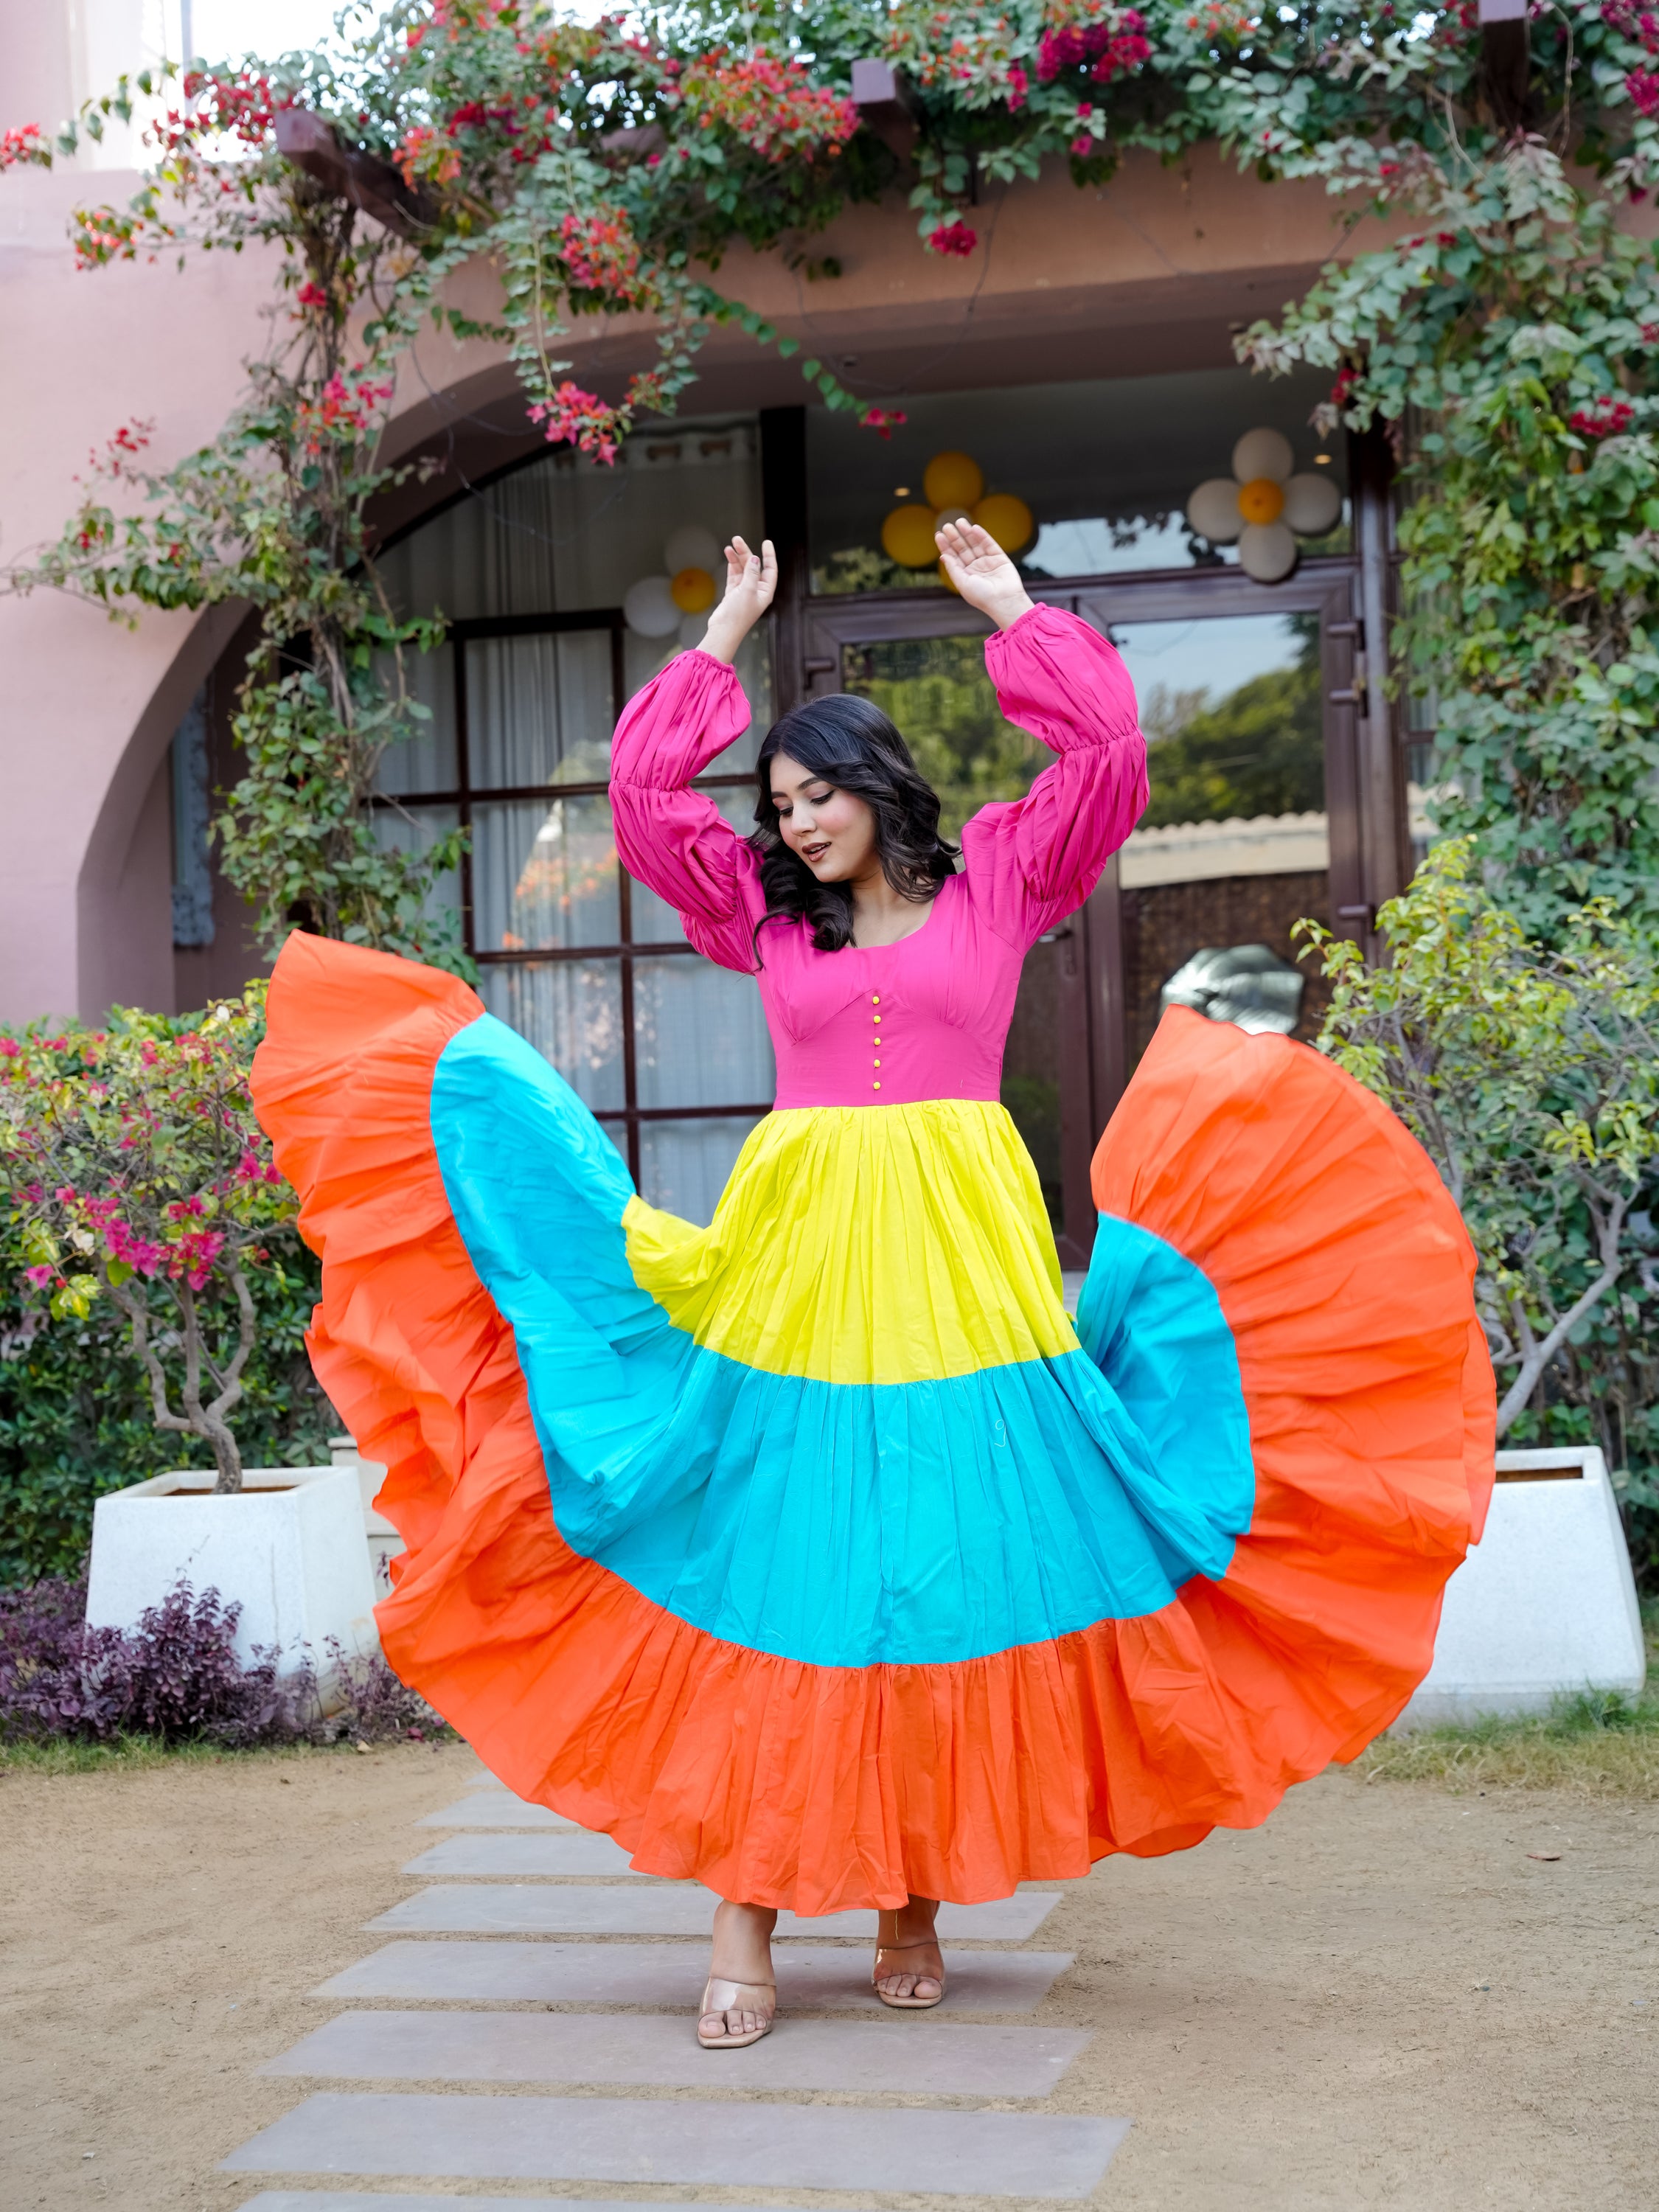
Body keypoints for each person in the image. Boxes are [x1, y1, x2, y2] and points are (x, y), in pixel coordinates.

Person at [251, 521, 1493, 2056]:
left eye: (817, 794)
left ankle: (912, 1891)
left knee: (949, 1560)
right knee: (781, 1555)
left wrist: (1011, 611)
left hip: (966, 1280)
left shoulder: (1001, 886)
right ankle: (743, 1907)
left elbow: (1108, 758)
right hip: (802, 1272)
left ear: (880, 788)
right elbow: (645, 807)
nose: (797, 823)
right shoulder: (768, 917)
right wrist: (717, 642)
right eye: (779, 805)